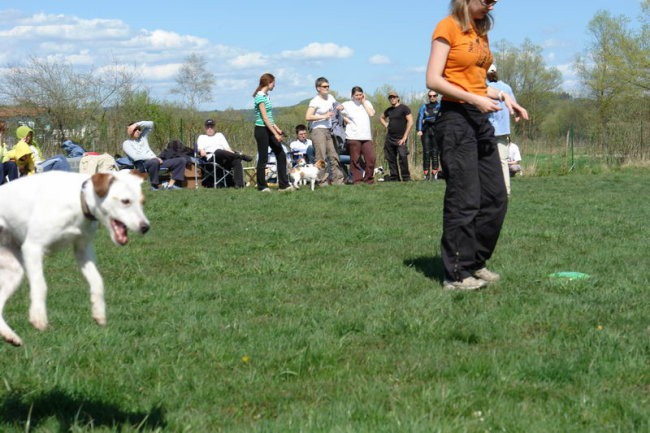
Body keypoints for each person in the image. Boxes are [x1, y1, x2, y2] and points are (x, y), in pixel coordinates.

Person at [426, 0, 529, 291]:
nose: (492, 7)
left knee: (497, 197)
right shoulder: (448, 27)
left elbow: (475, 82)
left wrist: (502, 96)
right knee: (465, 197)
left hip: (479, 117)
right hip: (455, 118)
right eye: (487, 0)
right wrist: (475, 99)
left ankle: (475, 262)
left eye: (495, 1)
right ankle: (456, 274)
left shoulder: (480, 32)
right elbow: (433, 80)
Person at [252, 73, 294, 192]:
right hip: (261, 130)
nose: (274, 85)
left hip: (269, 128)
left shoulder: (266, 96)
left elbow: (269, 118)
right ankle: (262, 186)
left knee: (281, 154)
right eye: (273, 83)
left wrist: (277, 128)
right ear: (268, 82)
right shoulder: (259, 97)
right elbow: (264, 118)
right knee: (263, 157)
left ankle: (283, 185)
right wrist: (275, 134)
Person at [122, 120, 187, 190]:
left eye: (139, 129)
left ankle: (170, 185)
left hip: (156, 161)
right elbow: (136, 157)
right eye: (135, 129)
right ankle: (154, 186)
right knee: (154, 162)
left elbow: (151, 124)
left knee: (181, 160)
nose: (138, 131)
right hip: (142, 165)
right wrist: (154, 158)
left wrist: (137, 124)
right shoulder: (126, 143)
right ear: (130, 131)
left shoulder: (143, 138)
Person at [305, 77, 346, 185]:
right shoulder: (315, 101)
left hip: (329, 130)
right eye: (324, 86)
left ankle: (339, 181)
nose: (327, 88)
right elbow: (308, 116)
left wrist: (339, 106)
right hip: (318, 131)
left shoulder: (331, 97)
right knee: (321, 157)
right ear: (318, 88)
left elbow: (335, 104)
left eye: (328, 86)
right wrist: (323, 116)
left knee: (334, 155)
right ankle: (322, 181)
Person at [487, 63, 519, 195]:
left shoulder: (484, 87)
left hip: (487, 129)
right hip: (503, 130)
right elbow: (514, 105)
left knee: (487, 161)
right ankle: (506, 190)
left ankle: (489, 189)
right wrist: (516, 114)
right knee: (503, 162)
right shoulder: (506, 87)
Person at [196, 118, 252, 188]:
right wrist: (201, 150)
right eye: (208, 127)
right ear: (205, 128)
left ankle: (239, 185)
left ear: (214, 128)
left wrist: (233, 153)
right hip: (211, 160)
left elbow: (227, 149)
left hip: (224, 159)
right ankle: (241, 156)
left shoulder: (219, 135)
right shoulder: (202, 137)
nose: (210, 129)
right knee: (218, 151)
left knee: (236, 161)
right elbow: (200, 149)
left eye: (211, 127)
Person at [341, 86, 377, 184]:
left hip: (366, 137)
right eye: (356, 95)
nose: (358, 97)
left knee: (371, 158)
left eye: (360, 94)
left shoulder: (367, 103)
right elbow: (337, 111)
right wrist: (346, 120)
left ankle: (369, 179)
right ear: (352, 96)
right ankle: (357, 180)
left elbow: (371, 114)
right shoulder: (347, 104)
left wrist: (364, 102)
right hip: (353, 136)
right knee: (355, 160)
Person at [380, 91, 414, 182]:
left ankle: (406, 178)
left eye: (394, 97)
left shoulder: (404, 108)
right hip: (390, 138)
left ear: (398, 98)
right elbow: (381, 117)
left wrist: (405, 137)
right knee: (391, 158)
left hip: (401, 138)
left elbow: (410, 122)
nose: (392, 99)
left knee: (403, 157)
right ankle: (395, 178)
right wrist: (386, 125)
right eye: (390, 98)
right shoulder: (389, 110)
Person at [416, 90, 442, 180]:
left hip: (437, 131)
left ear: (437, 96)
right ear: (428, 96)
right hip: (426, 131)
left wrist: (426, 120)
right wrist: (419, 129)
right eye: (430, 96)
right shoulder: (424, 106)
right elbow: (420, 117)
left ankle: (435, 173)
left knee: (435, 153)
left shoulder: (440, 106)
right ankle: (426, 174)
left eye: (434, 95)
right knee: (426, 153)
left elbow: (438, 118)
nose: (432, 97)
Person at [0, 120, 19, 184]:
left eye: (2, 131)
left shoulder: (2, 143)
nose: (1, 133)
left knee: (12, 164)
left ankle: (14, 185)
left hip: (2, 165)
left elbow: (5, 154)